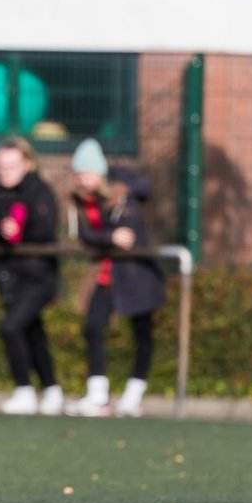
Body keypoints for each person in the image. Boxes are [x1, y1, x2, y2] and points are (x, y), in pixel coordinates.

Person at [66, 138, 166, 418]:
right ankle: (98, 397)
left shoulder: (124, 188)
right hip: (106, 272)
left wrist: (122, 192)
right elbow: (87, 236)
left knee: (142, 334)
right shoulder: (79, 202)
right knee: (93, 326)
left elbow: (145, 190)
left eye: (88, 173)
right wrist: (110, 237)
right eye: (79, 174)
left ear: (99, 172)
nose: (83, 180)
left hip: (137, 272)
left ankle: (133, 396)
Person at [0, 137, 63, 416]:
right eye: (1, 166)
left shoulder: (40, 192)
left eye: (12, 166)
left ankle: (24, 390)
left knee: (10, 327)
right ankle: (52, 389)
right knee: (32, 331)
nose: (5, 172)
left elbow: (45, 230)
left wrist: (19, 231)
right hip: (7, 276)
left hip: (37, 276)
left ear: (27, 164)